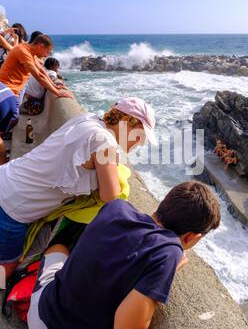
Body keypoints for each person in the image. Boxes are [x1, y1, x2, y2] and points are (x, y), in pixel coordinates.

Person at [0, 181, 220, 329]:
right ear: (192, 238)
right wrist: (169, 266)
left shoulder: (117, 207)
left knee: (56, 249)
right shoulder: (168, 252)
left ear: (164, 202)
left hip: (42, 322)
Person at [0, 98, 156, 279]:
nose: (139, 143)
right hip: (12, 206)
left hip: (7, 177)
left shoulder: (88, 120)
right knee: (7, 265)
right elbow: (111, 195)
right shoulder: (105, 143)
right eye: (140, 136)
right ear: (128, 122)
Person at [0, 34, 71, 129]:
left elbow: (42, 71)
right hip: (7, 89)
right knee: (10, 118)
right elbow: (38, 75)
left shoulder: (31, 53)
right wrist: (57, 93)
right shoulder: (23, 51)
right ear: (40, 46)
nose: (46, 55)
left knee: (13, 118)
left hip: (15, 90)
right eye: (47, 52)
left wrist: (53, 85)